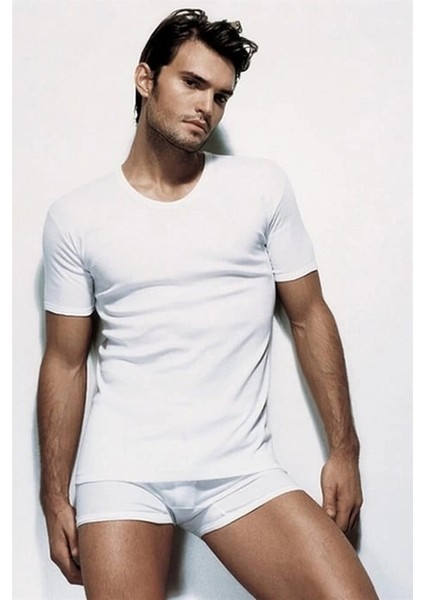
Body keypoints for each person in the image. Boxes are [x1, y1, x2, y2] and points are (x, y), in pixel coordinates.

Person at [37, 8, 379, 599]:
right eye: (192, 83)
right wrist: (53, 495)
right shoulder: (76, 217)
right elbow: (65, 362)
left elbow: (309, 316)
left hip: (239, 468)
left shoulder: (260, 187)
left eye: (221, 96)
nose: (207, 107)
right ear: (146, 79)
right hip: (122, 471)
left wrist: (345, 450)